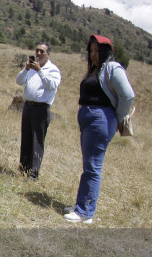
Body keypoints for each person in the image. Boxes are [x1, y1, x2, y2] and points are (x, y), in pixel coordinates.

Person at [65, 35, 134, 224]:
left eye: (97, 51)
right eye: (91, 51)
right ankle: (82, 204)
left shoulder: (112, 68)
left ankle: (86, 212)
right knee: (88, 165)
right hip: (91, 119)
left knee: (93, 167)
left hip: (101, 120)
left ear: (106, 52)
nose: (93, 54)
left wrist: (120, 118)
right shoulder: (95, 70)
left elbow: (127, 95)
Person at [16, 42, 61, 180]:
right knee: (26, 137)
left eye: (42, 51)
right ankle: (24, 167)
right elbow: (19, 81)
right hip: (28, 107)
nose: (39, 54)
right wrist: (26, 69)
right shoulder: (31, 69)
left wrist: (40, 71)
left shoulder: (52, 70)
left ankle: (34, 172)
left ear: (48, 54)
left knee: (37, 140)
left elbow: (52, 85)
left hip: (41, 108)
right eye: (37, 51)